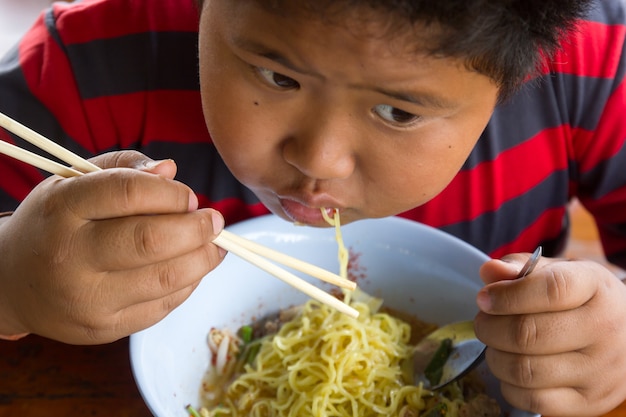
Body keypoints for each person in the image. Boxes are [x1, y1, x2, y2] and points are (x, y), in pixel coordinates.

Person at [0, 0, 625, 415]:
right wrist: (13, 281)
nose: (319, 159)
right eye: (277, 77)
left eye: (398, 112)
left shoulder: (593, 59)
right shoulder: (86, 63)